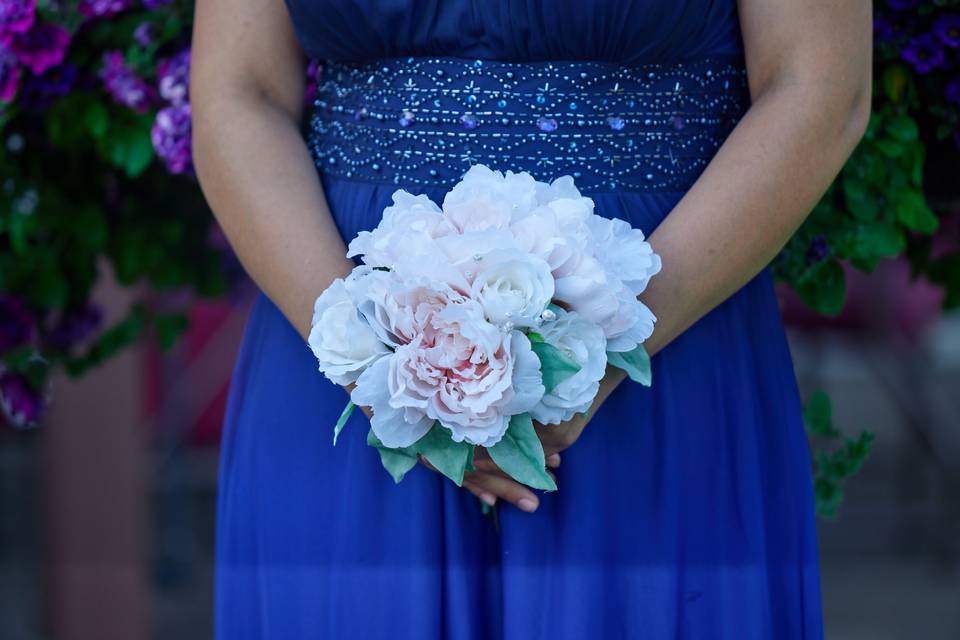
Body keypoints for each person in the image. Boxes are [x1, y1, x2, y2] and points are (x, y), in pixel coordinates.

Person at [191, 0, 871, 637]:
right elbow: (238, 94)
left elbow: (816, 85)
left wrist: (600, 351)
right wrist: (385, 365)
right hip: (347, 350)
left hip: (659, 345)